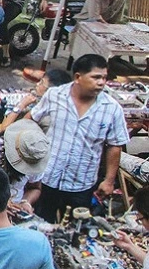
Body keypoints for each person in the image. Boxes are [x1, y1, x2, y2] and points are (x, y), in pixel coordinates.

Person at [25, 54, 129, 223]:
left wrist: (109, 180)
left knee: (75, 230)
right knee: (40, 224)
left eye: (104, 77)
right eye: (96, 77)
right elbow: (31, 118)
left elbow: (115, 145)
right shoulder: (54, 95)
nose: (102, 82)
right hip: (47, 177)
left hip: (81, 183)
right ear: (78, 77)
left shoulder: (111, 108)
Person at [0, 68, 72, 132]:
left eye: (42, 83)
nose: (37, 84)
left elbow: (4, 129)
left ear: (51, 91)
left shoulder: (41, 114)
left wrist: (21, 105)